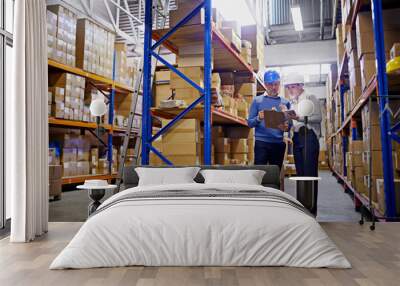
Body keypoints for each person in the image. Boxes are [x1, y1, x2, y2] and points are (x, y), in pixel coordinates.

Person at [247, 70, 292, 170]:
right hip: (261, 143)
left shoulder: (285, 102)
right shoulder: (257, 101)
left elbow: (289, 127)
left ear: (279, 84)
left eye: (276, 84)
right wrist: (259, 118)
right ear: (265, 85)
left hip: (278, 144)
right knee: (259, 174)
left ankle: (274, 187)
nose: (273, 87)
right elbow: (249, 123)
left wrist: (286, 125)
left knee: (275, 174)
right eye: (270, 85)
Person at [285, 73, 322, 177]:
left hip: (309, 137)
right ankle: (302, 194)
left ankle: (310, 194)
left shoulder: (310, 97)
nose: (290, 90)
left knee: (309, 172)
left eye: (293, 87)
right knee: (300, 173)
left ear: (301, 85)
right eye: (288, 88)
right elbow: (293, 122)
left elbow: (318, 118)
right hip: (296, 138)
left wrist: (299, 118)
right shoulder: (293, 102)